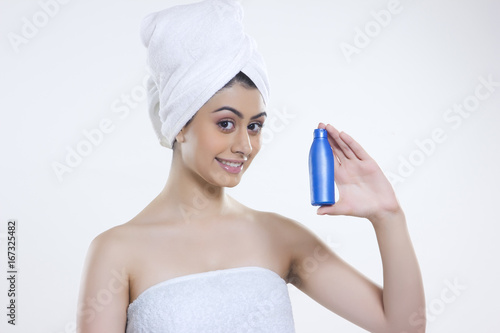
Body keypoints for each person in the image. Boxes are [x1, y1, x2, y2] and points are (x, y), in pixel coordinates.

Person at [77, 1, 425, 332]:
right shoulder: (116, 251)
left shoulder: (279, 237)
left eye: (255, 126)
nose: (244, 146)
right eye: (226, 123)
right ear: (180, 124)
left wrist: (388, 216)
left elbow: (402, 328)